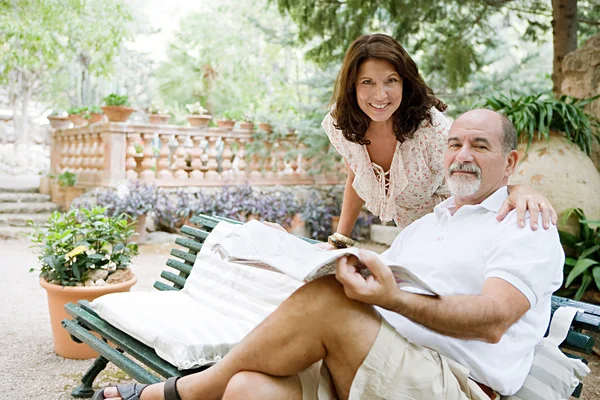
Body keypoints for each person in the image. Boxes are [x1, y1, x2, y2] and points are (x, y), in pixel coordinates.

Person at [96, 109, 564, 400]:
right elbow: (389, 280)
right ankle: (205, 387)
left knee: (327, 300)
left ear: (510, 163)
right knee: (246, 389)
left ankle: (181, 392)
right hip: (372, 359)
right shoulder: (427, 224)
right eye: (455, 144)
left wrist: (391, 299)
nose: (463, 154)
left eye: (480, 145)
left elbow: (495, 319)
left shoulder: (524, 223)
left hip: (450, 383)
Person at [321, 33, 556, 249]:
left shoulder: (432, 131)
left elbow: (477, 175)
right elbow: (356, 175)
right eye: (367, 82)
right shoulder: (341, 122)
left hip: (458, 233)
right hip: (412, 237)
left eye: (391, 80)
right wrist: (339, 241)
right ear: (352, 86)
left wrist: (518, 190)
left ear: (405, 82)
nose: (381, 95)